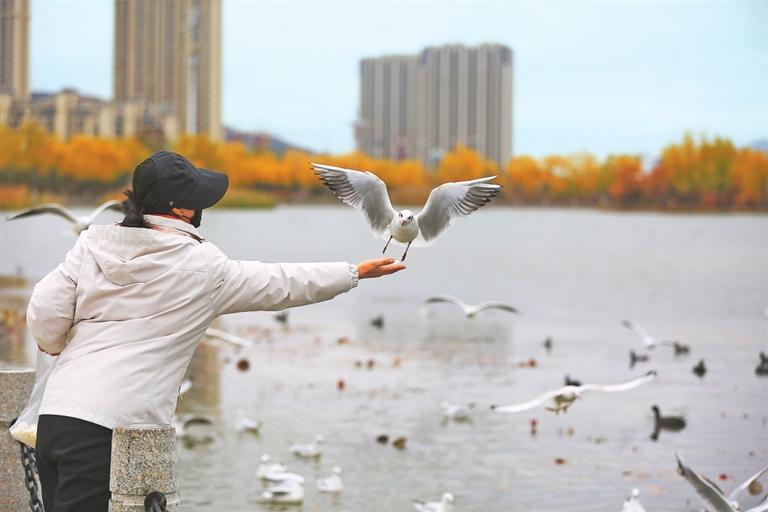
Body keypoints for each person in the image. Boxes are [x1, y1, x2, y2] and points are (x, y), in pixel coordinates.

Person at [27, 151, 405, 512]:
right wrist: (352, 273)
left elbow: (44, 310)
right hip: (114, 430)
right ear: (179, 209)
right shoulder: (203, 266)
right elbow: (281, 282)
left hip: (56, 417)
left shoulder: (91, 244)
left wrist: (58, 346)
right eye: (196, 199)